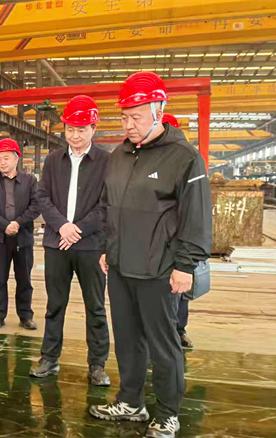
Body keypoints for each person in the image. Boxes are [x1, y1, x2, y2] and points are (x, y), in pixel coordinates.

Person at [90, 72, 211, 438]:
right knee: (127, 339)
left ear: (159, 111)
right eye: (124, 117)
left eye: (136, 117)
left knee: (163, 344)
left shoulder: (184, 158)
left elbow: (196, 217)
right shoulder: (120, 155)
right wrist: (107, 248)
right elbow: (109, 206)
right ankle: (131, 402)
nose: (128, 124)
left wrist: (185, 265)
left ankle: (168, 413)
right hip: (121, 265)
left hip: (160, 268)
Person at [30, 95, 111, 387]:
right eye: (70, 130)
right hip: (57, 244)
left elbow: (107, 203)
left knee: (95, 306)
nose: (75, 136)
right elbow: (42, 196)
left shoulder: (107, 161)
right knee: (55, 304)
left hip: (91, 246)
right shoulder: (54, 160)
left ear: (93, 128)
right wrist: (62, 226)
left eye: (81, 129)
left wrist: (77, 229)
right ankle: (49, 358)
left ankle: (97, 364)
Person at [0, 138, 40, 331]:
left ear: (17, 158)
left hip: (23, 237)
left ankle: (25, 315)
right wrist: (5, 225)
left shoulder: (30, 181)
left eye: (6, 158)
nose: (2, 162)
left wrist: (18, 222)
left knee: (24, 278)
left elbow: (36, 205)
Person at [162, 113, 194, 350]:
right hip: (152, 248)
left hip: (177, 243)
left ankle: (179, 330)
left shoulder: (186, 162)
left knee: (179, 293)